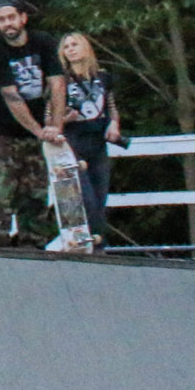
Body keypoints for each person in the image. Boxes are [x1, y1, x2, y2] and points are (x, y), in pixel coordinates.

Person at [0, 0, 66, 247]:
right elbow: (11, 96)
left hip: (37, 128)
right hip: (0, 129)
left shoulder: (43, 42)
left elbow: (58, 84)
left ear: (23, 18)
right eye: (1, 20)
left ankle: (33, 248)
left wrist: (56, 126)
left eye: (11, 18)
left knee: (35, 193)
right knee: (1, 190)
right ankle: (0, 245)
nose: (7, 24)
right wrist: (39, 131)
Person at [56, 32, 127, 245]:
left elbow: (111, 107)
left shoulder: (103, 77)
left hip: (97, 142)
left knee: (98, 197)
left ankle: (97, 246)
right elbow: (50, 116)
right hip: (72, 143)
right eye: (66, 46)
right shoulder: (60, 80)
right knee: (82, 199)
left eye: (75, 44)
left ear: (86, 47)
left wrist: (114, 124)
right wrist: (65, 118)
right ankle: (83, 243)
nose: (70, 49)